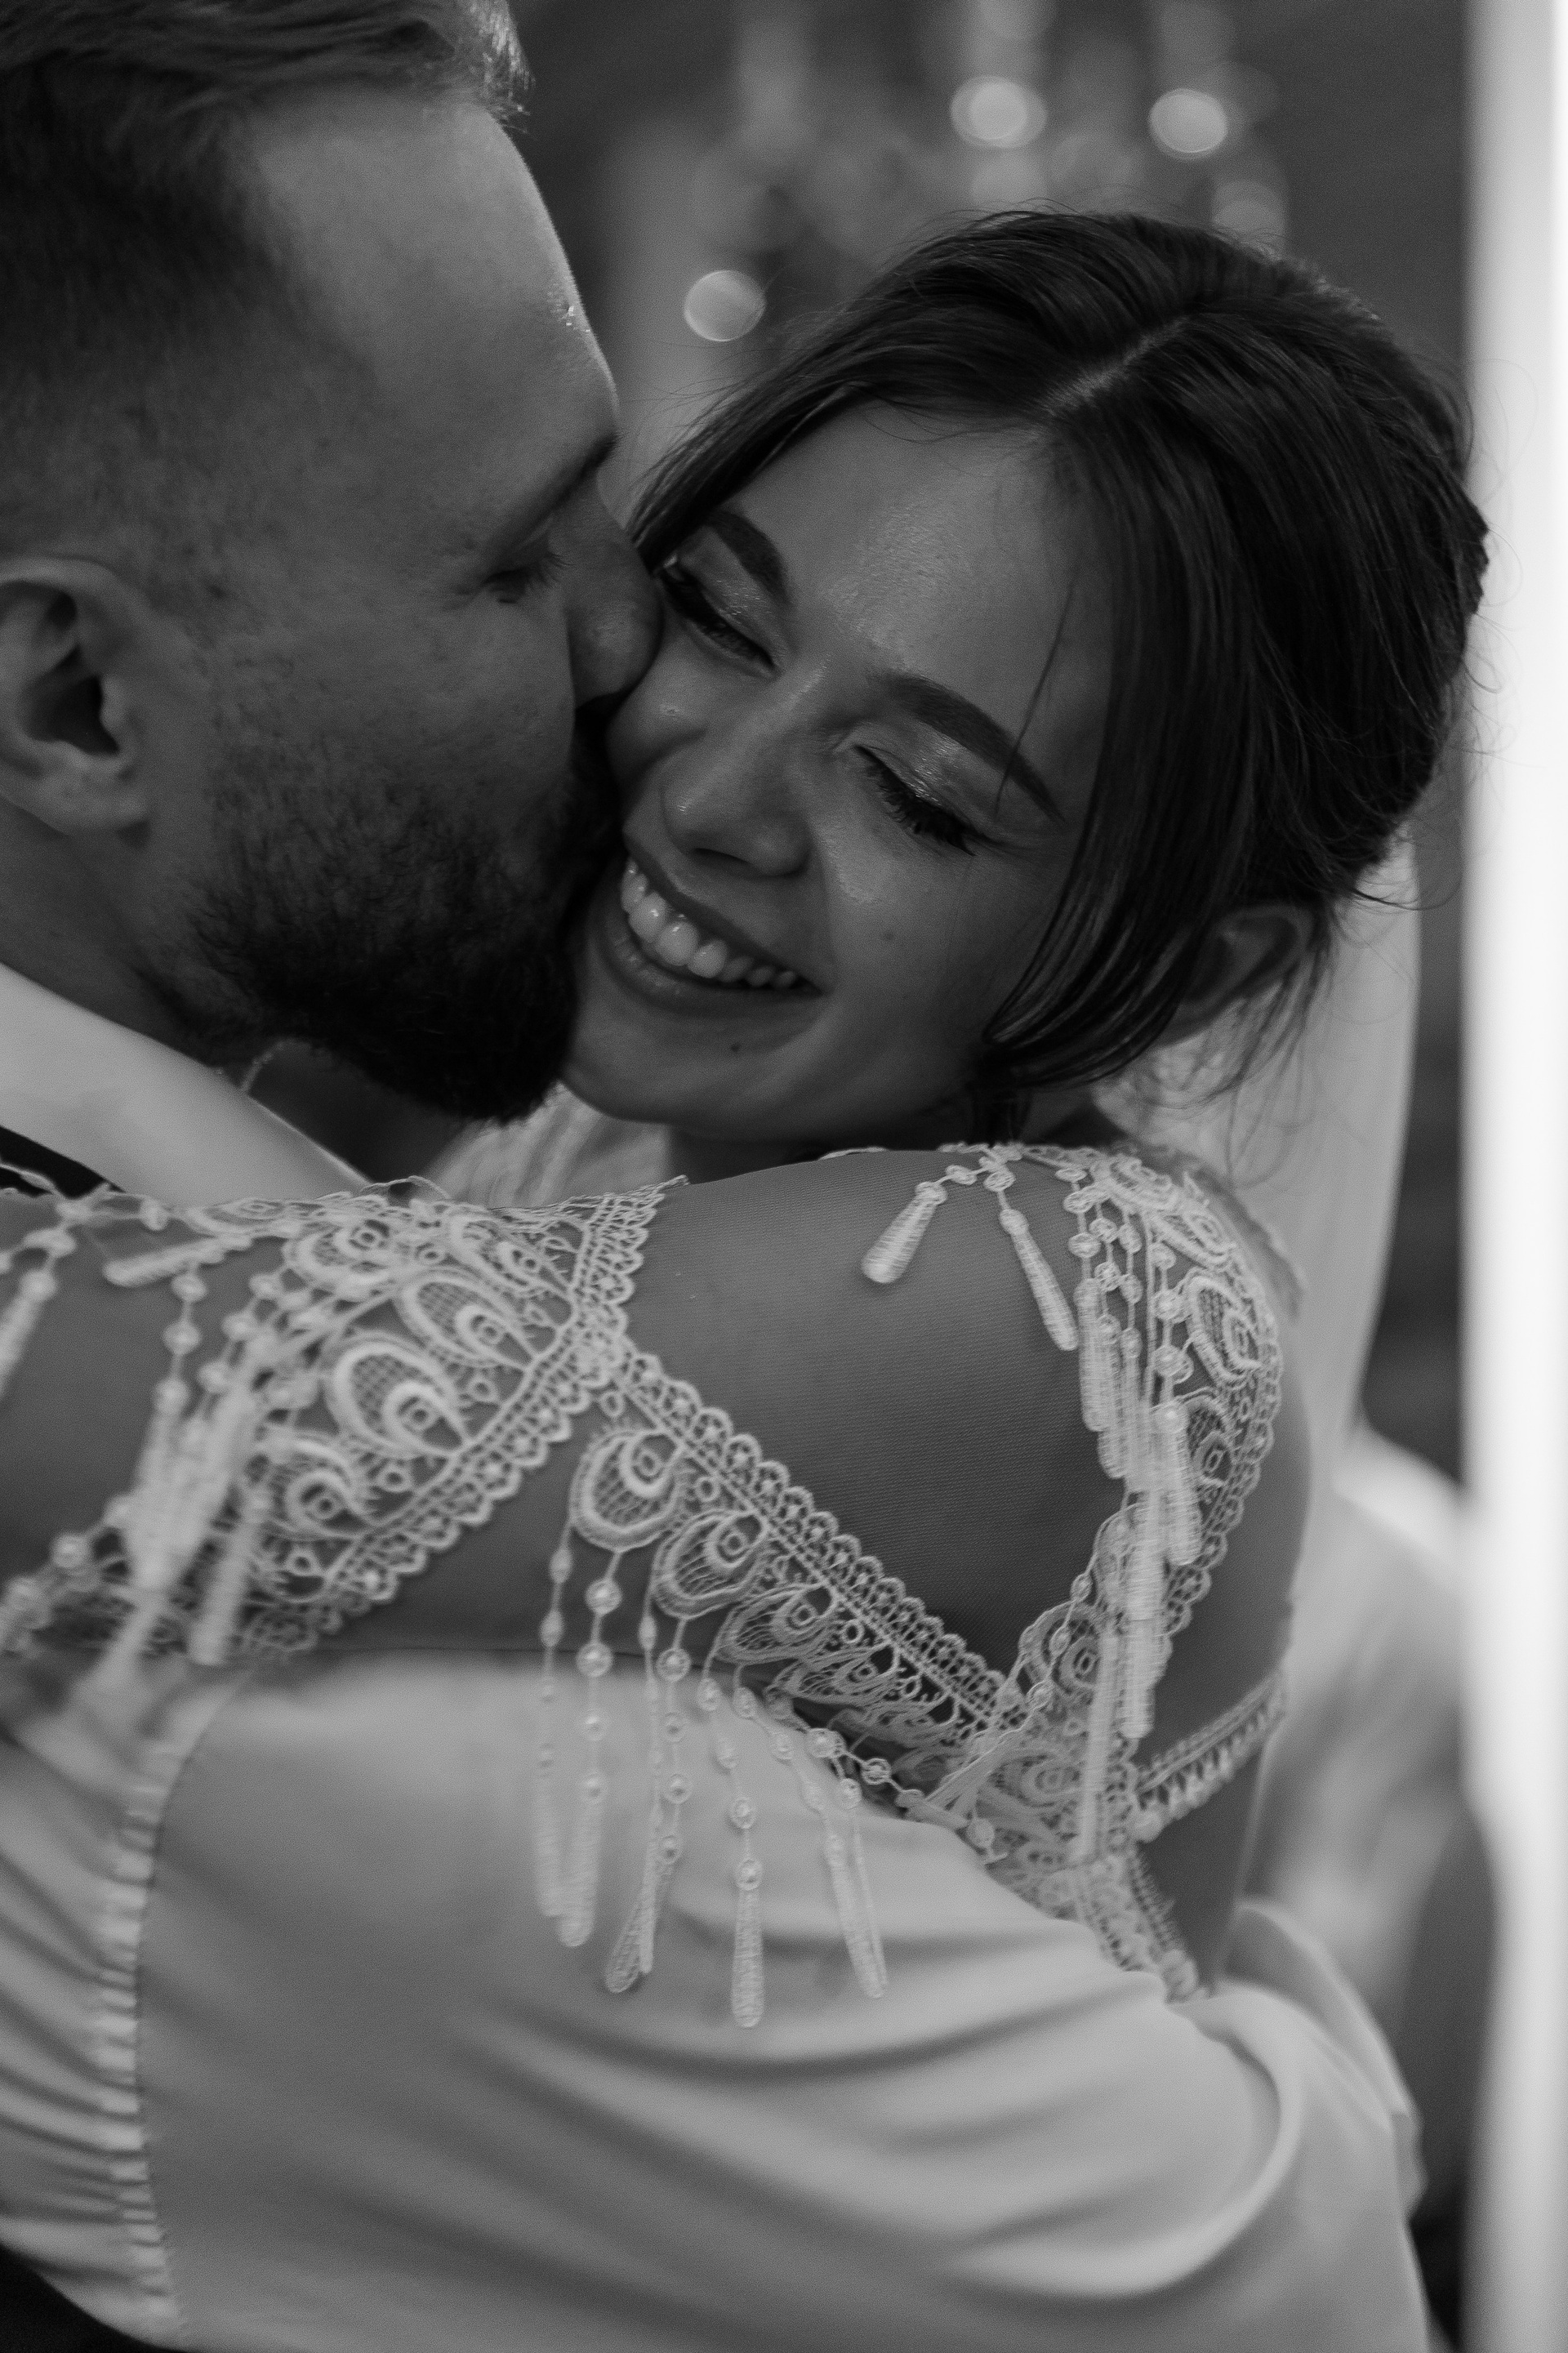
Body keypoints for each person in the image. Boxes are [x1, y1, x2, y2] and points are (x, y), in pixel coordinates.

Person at [0, 4, 1486, 2350]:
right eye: (718, 611)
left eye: (921, 794)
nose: (708, 789)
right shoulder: (585, 1122)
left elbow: (150, 1413)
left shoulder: (1073, 1313)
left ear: (1181, 963)